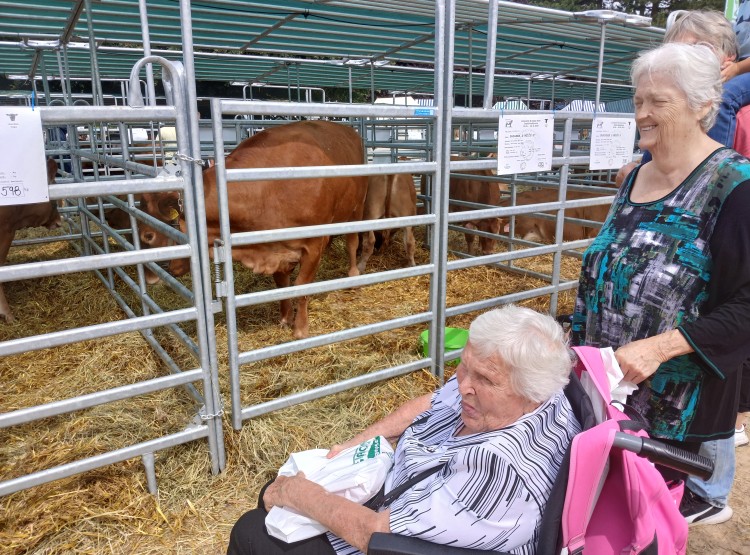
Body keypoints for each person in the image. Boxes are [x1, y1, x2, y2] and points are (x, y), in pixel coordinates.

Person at [228, 305, 581, 555]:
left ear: (531, 392)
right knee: (272, 493)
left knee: (253, 529)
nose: (462, 387)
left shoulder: (499, 468)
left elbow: (377, 536)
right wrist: (353, 445)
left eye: (484, 379)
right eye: (463, 368)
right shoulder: (537, 391)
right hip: (405, 486)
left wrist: (299, 495)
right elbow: (433, 401)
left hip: (394, 535)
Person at [572, 41, 750, 528]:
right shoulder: (634, 178)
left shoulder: (733, 186)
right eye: (637, 100)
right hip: (606, 385)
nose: (642, 113)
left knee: (644, 520)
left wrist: (660, 348)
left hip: (674, 405)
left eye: (658, 101)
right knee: (599, 513)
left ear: (702, 107)